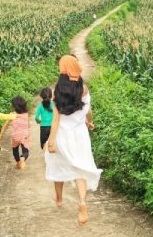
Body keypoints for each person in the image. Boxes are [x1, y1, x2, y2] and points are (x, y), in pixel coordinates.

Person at [45, 55, 101, 226]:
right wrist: (89, 121)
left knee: (57, 164)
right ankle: (82, 202)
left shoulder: (58, 90)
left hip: (62, 135)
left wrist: (51, 141)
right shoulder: (83, 88)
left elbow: (56, 120)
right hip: (80, 135)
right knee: (80, 168)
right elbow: (87, 110)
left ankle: (59, 198)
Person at [0, 96, 31, 170]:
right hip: (24, 134)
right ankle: (22, 160)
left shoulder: (12, 114)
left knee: (15, 149)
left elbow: (4, 126)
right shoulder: (26, 114)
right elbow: (28, 125)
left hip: (15, 136)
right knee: (25, 150)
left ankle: (18, 162)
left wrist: (0, 135)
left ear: (14, 106)